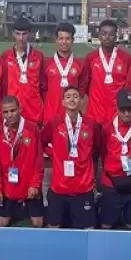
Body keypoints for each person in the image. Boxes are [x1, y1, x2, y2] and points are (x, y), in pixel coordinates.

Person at [42, 86, 100, 229]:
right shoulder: (55, 123)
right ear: (62, 102)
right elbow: (42, 142)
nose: (72, 99)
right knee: (53, 227)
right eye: (68, 96)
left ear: (80, 101)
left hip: (83, 187)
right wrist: (54, 153)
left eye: (75, 96)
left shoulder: (91, 125)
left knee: (89, 230)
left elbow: (97, 148)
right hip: (59, 187)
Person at [98, 89, 131, 230]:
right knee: (105, 225)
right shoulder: (107, 129)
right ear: (117, 108)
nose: (126, 113)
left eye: (130, 109)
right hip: (112, 183)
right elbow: (103, 151)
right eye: (123, 110)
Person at [0, 96, 45, 227]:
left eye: (13, 110)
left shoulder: (32, 129)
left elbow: (39, 161)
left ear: (20, 109)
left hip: (29, 186)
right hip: (7, 186)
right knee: (2, 223)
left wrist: (35, 185)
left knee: (38, 223)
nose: (9, 115)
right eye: (5, 112)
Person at [84, 19, 131, 126]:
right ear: (99, 36)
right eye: (104, 33)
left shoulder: (126, 58)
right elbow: (86, 85)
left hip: (117, 115)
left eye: (111, 34)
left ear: (116, 37)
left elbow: (130, 87)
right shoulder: (90, 58)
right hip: (95, 115)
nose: (107, 37)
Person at [1, 17, 45, 124]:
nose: (21, 38)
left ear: (29, 34)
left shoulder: (38, 56)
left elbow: (43, 85)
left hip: (33, 111)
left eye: (24, 34)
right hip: (12, 111)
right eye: (18, 33)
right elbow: (3, 85)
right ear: (13, 34)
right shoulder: (6, 56)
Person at [43, 22, 87, 121]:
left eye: (68, 39)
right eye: (61, 38)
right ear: (56, 40)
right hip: (51, 115)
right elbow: (43, 89)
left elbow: (82, 89)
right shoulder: (46, 64)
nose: (64, 42)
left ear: (72, 40)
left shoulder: (80, 64)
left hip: (73, 116)